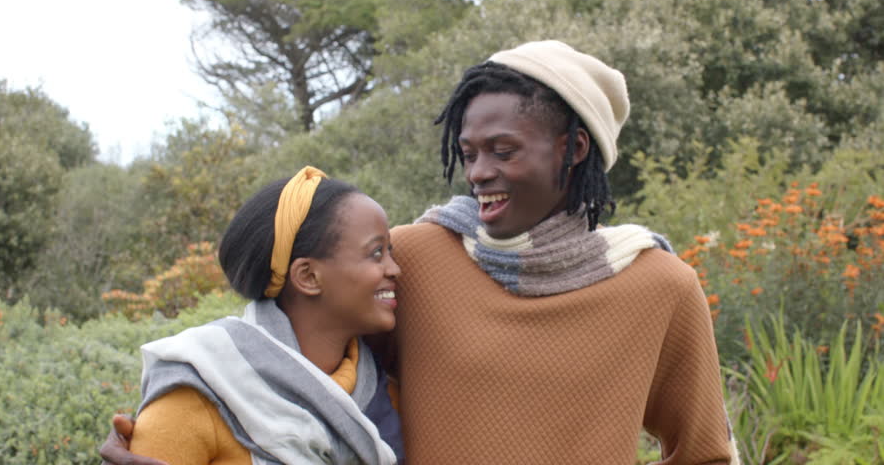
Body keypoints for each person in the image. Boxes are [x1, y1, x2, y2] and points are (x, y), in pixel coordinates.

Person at [102, 41, 738, 464]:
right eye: (468, 153)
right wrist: (172, 422)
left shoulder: (659, 288)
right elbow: (294, 366)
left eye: (504, 150)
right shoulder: (417, 258)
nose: (479, 172)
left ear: (572, 149)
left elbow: (703, 453)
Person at [108, 166, 405, 465]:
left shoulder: (381, 398)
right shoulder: (197, 394)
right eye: (376, 253)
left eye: (390, 252)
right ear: (308, 276)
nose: (395, 269)